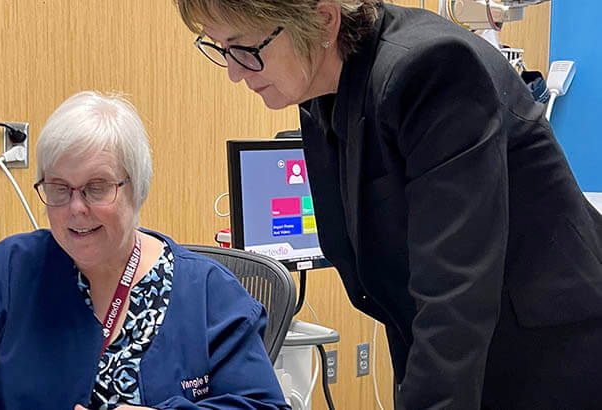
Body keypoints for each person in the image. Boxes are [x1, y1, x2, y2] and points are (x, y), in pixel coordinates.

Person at [173, 1, 602, 409]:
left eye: (246, 48)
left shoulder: (431, 70)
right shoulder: (321, 92)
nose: (233, 71)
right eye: (221, 49)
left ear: (323, 21)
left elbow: (455, 299)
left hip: (547, 357)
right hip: (458, 351)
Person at [0, 91, 290, 409]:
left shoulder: (208, 292)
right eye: (59, 188)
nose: (76, 209)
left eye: (97, 188)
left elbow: (262, 406)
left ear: (137, 188)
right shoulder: (11, 271)